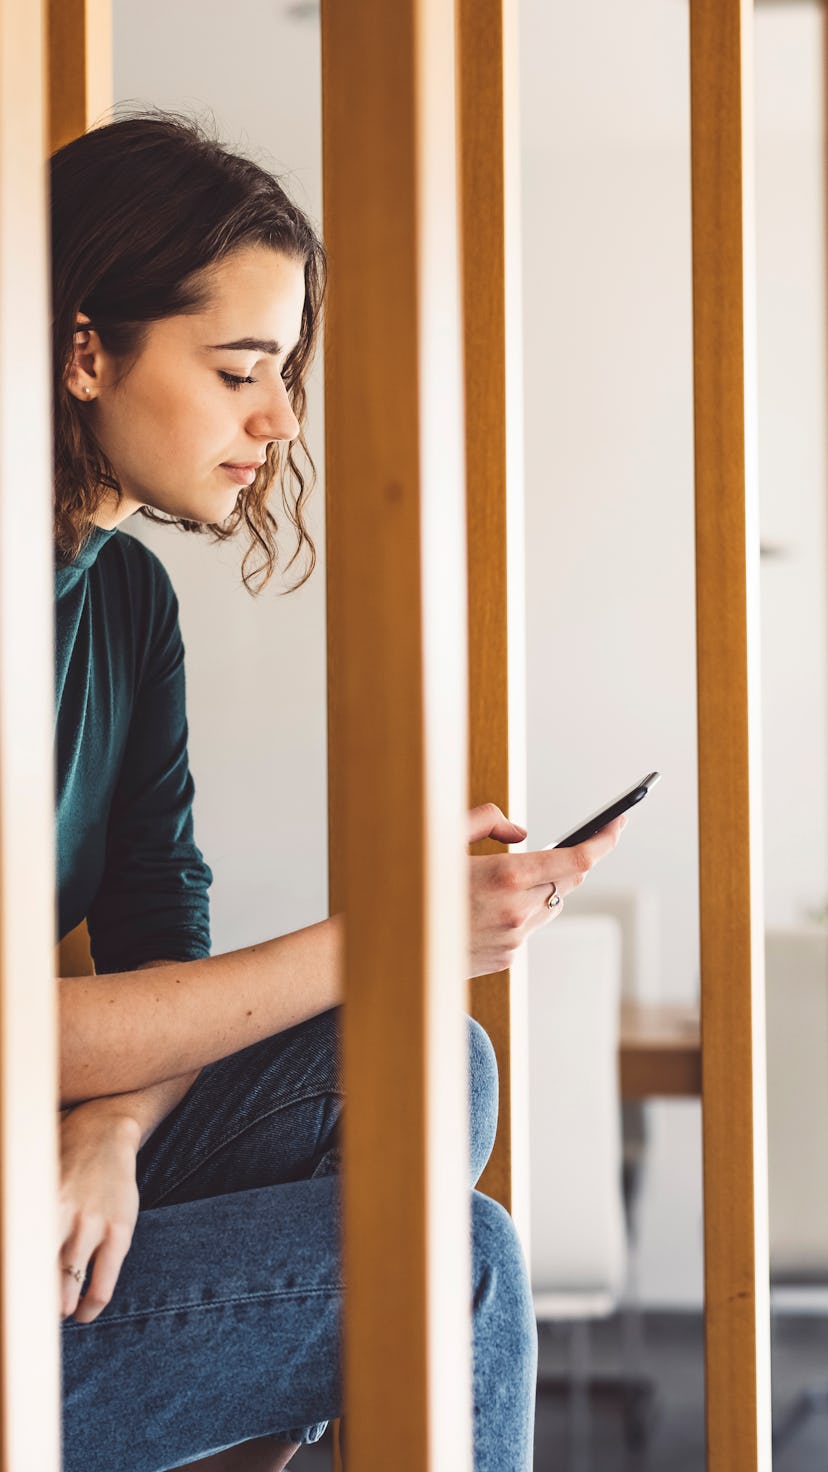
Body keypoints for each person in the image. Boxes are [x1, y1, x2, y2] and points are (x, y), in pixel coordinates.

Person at [53, 113, 627, 1472]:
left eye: (286, 370)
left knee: (432, 1061)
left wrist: (110, 1132)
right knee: (451, 1261)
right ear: (86, 354)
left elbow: (161, 944)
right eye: (240, 369)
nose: (281, 417)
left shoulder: (126, 601)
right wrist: (392, 934)